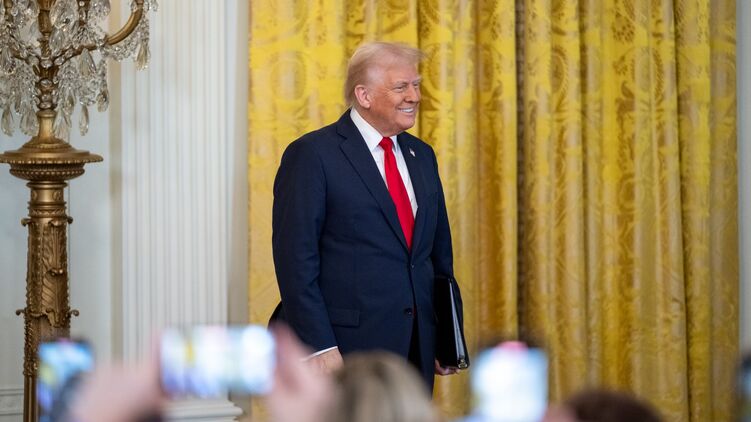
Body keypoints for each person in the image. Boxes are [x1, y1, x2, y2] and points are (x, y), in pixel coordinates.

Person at [271, 41, 460, 388]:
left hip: (416, 347)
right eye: (401, 87)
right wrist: (318, 346)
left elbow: (438, 255)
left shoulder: (422, 155)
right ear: (364, 95)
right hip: (345, 350)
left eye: (416, 85)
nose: (415, 96)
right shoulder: (313, 155)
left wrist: (445, 336)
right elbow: (295, 263)